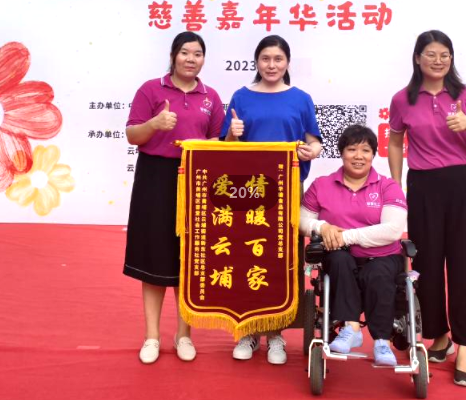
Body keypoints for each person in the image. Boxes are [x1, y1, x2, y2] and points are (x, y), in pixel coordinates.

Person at [388, 30, 466, 387]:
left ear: (451, 58)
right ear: (417, 58)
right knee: (426, 266)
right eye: (430, 54)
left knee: (465, 265)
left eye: (444, 54)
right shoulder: (403, 99)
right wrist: (395, 187)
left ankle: (465, 346)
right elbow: (395, 142)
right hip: (423, 187)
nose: (438, 60)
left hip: (463, 185)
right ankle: (439, 336)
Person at [123, 31, 225, 364]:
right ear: (172, 56)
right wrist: (155, 123)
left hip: (196, 178)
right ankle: (152, 336)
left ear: (203, 59)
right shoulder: (151, 89)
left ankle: (184, 335)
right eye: (185, 53)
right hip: (155, 177)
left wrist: (219, 143)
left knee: (189, 258)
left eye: (197, 54)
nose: (191, 59)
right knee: (153, 256)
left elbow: (218, 143)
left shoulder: (211, 96)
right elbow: (132, 134)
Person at [221, 34, 322, 364]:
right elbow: (225, 146)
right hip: (247, 191)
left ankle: (276, 334)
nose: (271, 65)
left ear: (287, 62)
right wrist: (231, 135)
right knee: (247, 257)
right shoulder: (241, 96)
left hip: (287, 190)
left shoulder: (301, 98)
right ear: (256, 62)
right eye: (265, 58)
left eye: (278, 59)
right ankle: (248, 331)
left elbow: (314, 142)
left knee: (282, 260)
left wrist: (312, 151)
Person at [299, 125, 407, 366]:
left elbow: (393, 230)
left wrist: (346, 236)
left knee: (378, 273)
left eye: (366, 150)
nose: (359, 156)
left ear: (373, 154)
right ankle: (351, 329)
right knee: (338, 260)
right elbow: (302, 221)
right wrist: (322, 227)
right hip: (339, 255)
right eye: (352, 149)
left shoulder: (388, 187)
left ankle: (382, 342)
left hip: (382, 256)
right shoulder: (322, 185)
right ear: (341, 153)